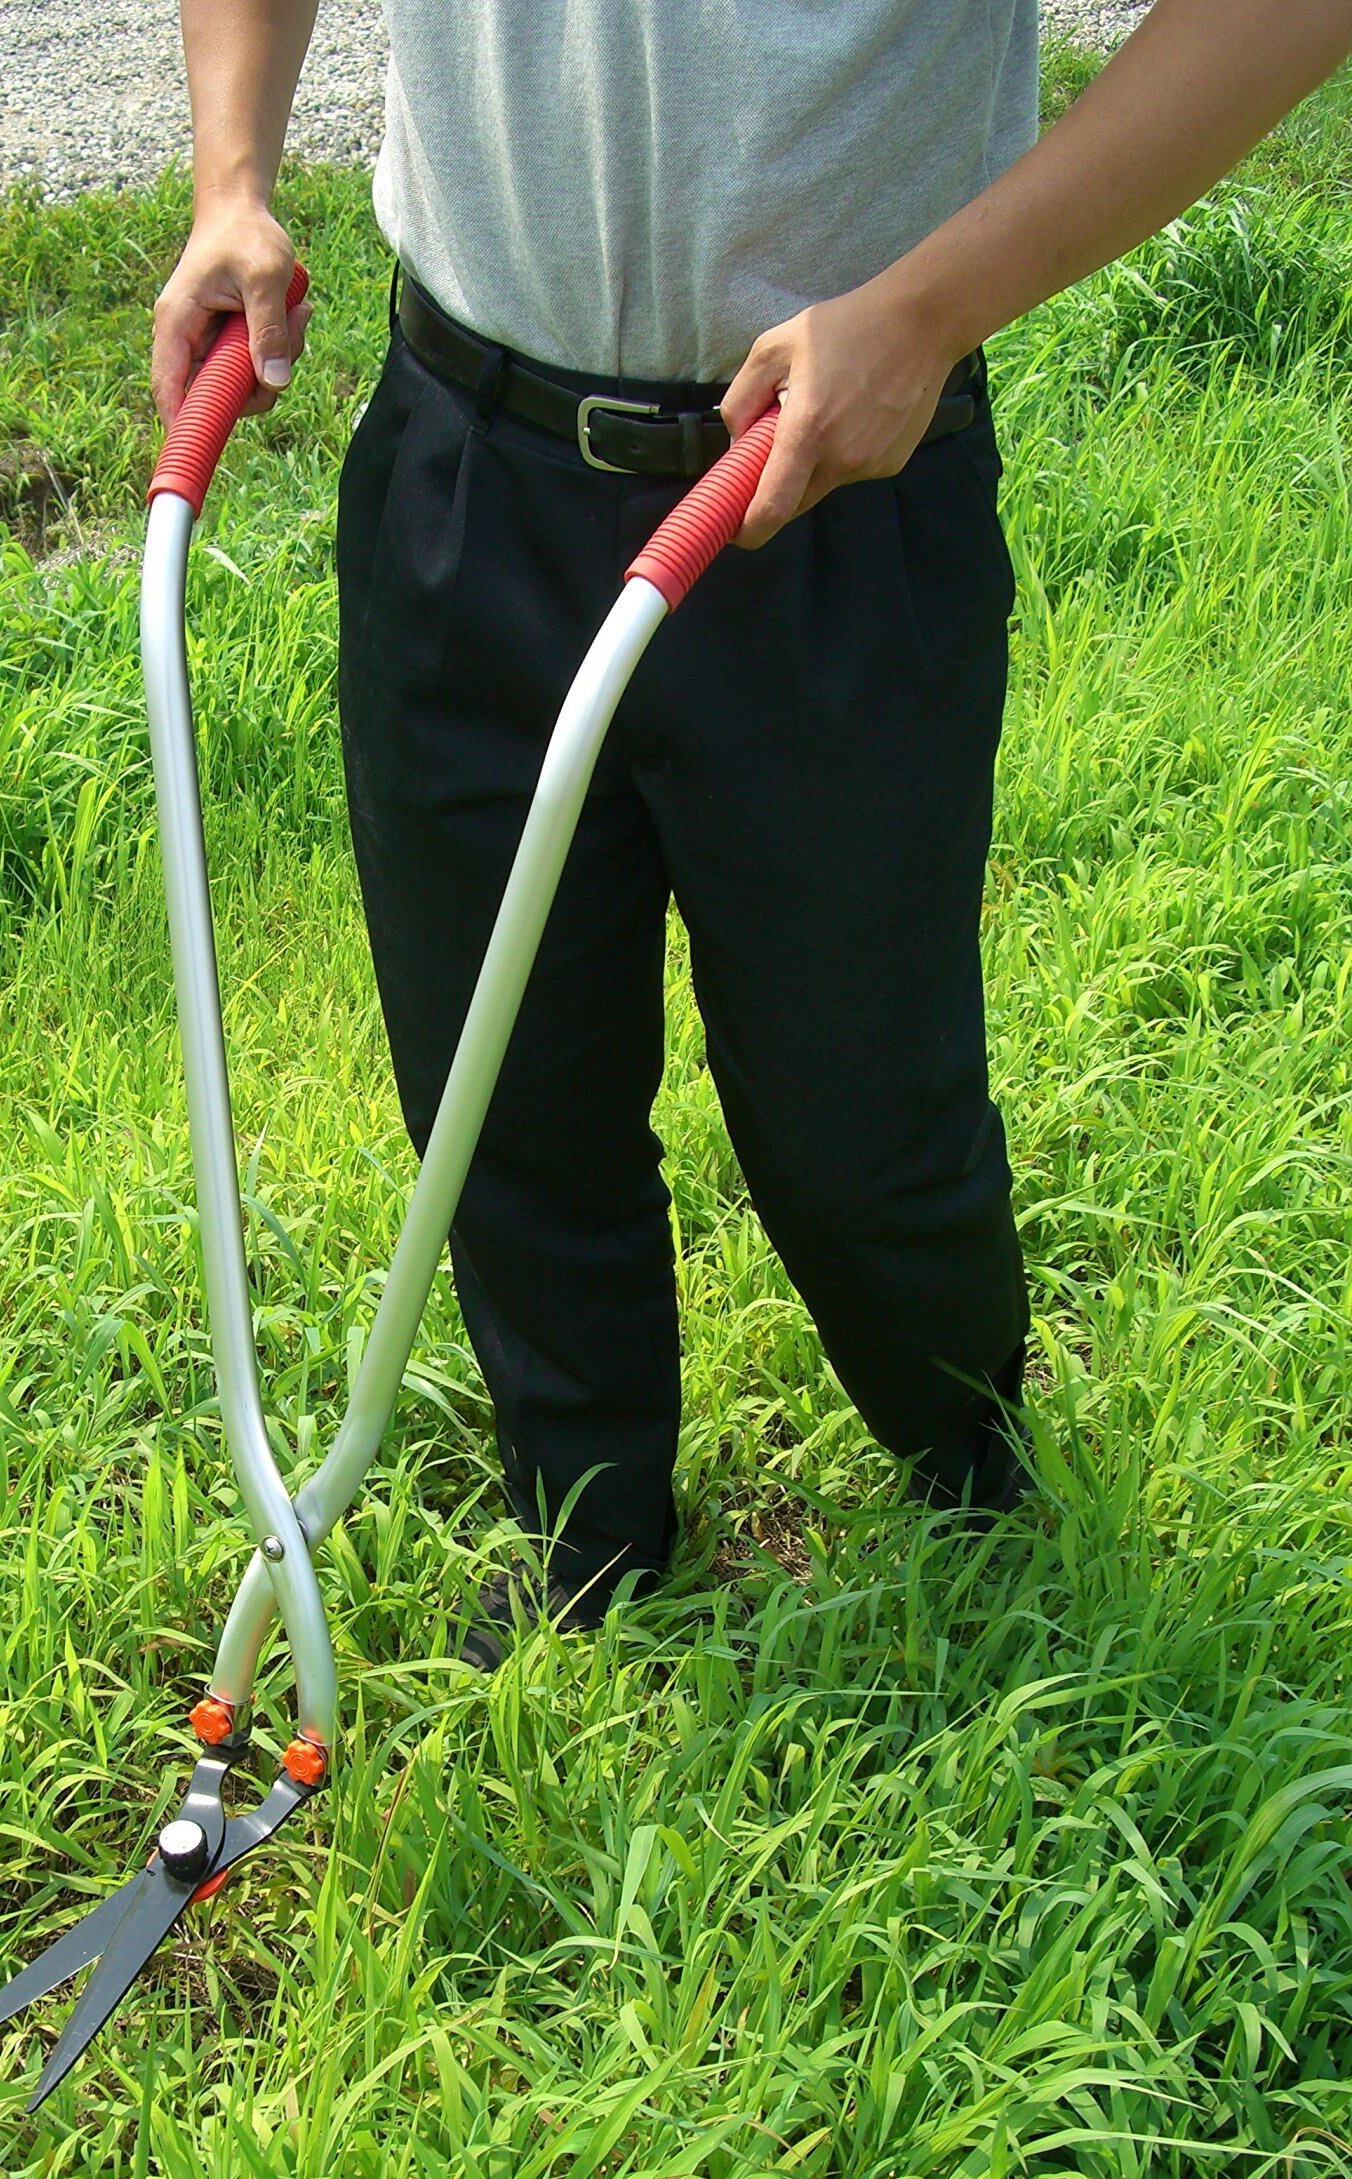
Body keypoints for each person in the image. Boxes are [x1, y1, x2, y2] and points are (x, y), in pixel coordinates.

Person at [153, 0, 1352, 1661]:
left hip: (830, 492)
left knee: (857, 1116)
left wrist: (927, 313)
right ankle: (589, 1539)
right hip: (464, 469)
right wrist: (231, 178)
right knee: (499, 1083)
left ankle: (973, 1487)